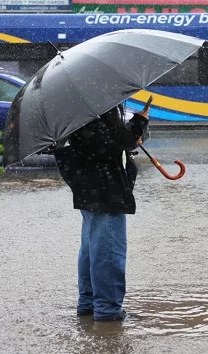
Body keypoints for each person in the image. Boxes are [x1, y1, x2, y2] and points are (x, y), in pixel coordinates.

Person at [54, 103, 150, 322]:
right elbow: (105, 145)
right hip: (104, 189)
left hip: (91, 187)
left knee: (92, 247)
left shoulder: (77, 106)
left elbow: (104, 143)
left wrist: (131, 133)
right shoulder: (96, 105)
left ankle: (89, 304)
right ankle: (107, 309)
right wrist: (136, 126)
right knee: (108, 250)